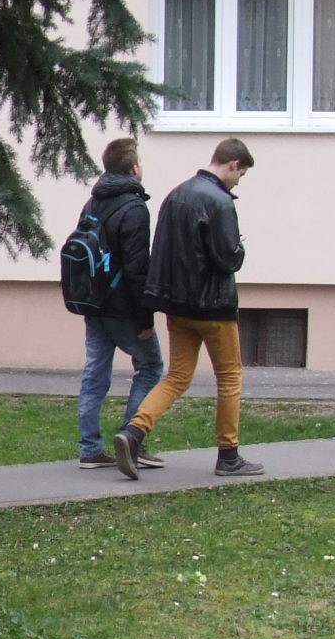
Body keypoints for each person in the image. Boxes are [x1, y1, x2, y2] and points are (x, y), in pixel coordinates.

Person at [112, 139, 261, 480]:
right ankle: (229, 456)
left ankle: (133, 433)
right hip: (214, 307)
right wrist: (239, 249)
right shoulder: (220, 201)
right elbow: (227, 259)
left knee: (177, 376)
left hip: (177, 306)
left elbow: (162, 251)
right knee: (230, 377)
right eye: (241, 175)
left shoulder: (176, 195)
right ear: (234, 164)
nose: (238, 182)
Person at [73, 136, 164, 469]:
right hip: (123, 307)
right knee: (151, 366)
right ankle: (132, 438)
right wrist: (146, 317)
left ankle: (90, 448)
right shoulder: (134, 207)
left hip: (93, 302)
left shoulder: (92, 202)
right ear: (134, 168)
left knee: (95, 372)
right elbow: (138, 268)